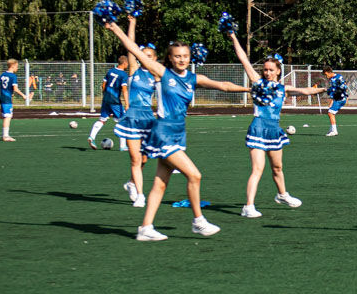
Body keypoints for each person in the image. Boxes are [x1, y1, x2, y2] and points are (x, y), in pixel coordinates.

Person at [103, 20, 243, 240]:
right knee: (195, 175)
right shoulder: (161, 73)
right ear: (169, 58)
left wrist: (252, 88)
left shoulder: (193, 79)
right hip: (163, 133)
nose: (181, 60)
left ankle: (145, 228)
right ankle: (198, 221)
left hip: (178, 133)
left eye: (185, 56)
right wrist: (116, 28)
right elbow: (133, 50)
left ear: (190, 57)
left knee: (160, 183)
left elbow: (224, 85)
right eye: (177, 56)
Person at [225, 32, 325, 216]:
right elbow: (244, 60)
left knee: (277, 168)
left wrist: (325, 89)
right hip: (258, 128)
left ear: (278, 71)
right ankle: (248, 206)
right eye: (265, 69)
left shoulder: (283, 89)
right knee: (257, 169)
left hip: (274, 130)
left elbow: (306, 90)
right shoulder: (257, 82)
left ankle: (282, 195)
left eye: (271, 70)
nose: (268, 73)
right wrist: (233, 37)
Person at [113, 18, 158, 207]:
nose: (144, 57)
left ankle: (131, 182)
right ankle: (140, 195)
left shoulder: (157, 74)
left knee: (145, 158)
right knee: (135, 158)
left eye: (149, 55)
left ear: (154, 59)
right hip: (132, 117)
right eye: (142, 54)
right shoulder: (133, 70)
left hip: (148, 118)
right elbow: (129, 44)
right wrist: (132, 22)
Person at [89, 52, 130, 149]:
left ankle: (92, 137)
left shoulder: (110, 71)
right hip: (115, 100)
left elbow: (103, 85)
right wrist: (127, 104)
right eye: (127, 64)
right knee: (123, 121)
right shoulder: (123, 75)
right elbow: (124, 90)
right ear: (124, 63)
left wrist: (105, 95)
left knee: (102, 119)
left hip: (106, 98)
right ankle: (123, 146)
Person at [0, 59, 30, 141]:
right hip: (7, 98)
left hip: (2, 96)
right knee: (8, 116)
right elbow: (15, 88)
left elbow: (5, 87)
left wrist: (11, 92)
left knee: (7, 116)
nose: (17, 68)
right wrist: (24, 95)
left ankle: (5, 135)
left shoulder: (2, 75)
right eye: (16, 66)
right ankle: (5, 136)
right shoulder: (13, 76)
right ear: (12, 66)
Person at [322, 66, 345, 136]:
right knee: (331, 113)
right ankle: (332, 129)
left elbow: (336, 90)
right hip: (341, 97)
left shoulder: (334, 79)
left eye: (326, 75)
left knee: (330, 113)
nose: (326, 76)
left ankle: (334, 131)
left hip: (339, 98)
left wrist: (331, 101)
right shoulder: (338, 76)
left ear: (329, 72)